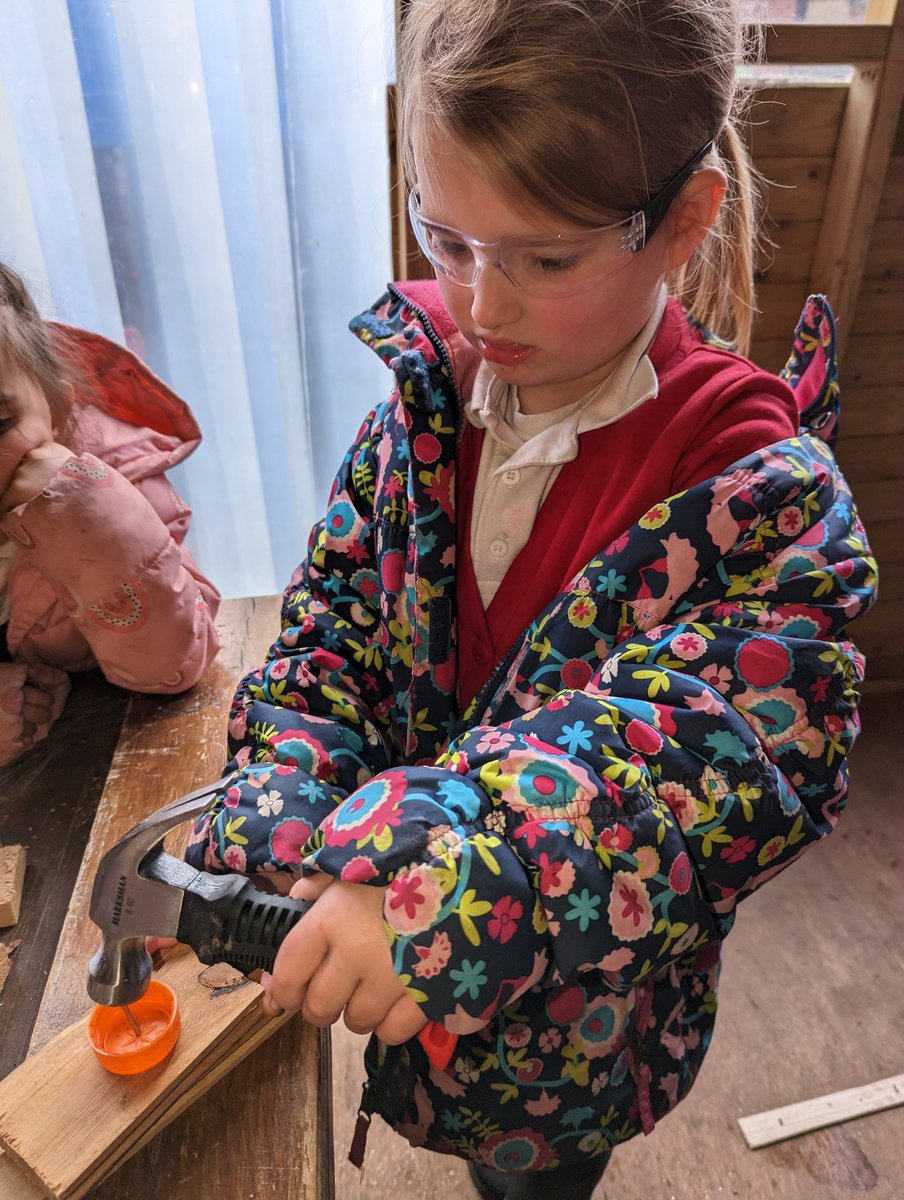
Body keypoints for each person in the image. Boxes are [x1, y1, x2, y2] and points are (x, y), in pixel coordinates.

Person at [183, 2, 876, 1196]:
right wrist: (284, 811)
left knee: (535, 1183)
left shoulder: (756, 489)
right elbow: (330, 635)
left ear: (682, 221)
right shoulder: (418, 405)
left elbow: (717, 759)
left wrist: (448, 877)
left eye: (544, 259)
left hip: (575, 1040)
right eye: (446, 241)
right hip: (391, 949)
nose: (481, 307)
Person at [0, 263, 221, 766]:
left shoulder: (115, 483)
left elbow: (178, 660)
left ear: (55, 406)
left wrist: (85, 514)